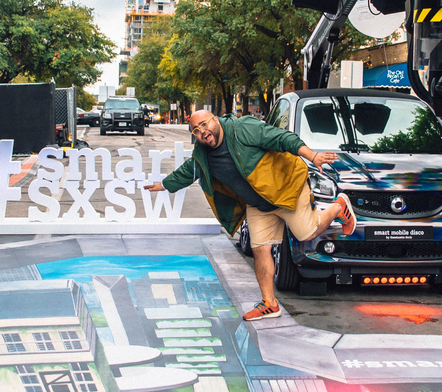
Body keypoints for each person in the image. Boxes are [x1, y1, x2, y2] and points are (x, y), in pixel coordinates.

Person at [144, 109, 356, 321]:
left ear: (215, 120)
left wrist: (313, 156)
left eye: (205, 125)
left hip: (285, 188)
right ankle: (269, 303)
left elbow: (282, 138)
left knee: (307, 233)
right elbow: (189, 171)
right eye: (196, 131)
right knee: (260, 249)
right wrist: (163, 185)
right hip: (257, 203)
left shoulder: (242, 129)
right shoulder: (203, 154)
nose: (203, 132)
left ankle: (338, 206)